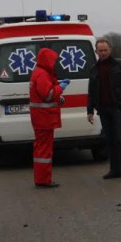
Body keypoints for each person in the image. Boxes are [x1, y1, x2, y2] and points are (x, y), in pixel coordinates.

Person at [87, 38, 121, 180]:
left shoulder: (120, 65)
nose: (103, 53)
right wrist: (90, 110)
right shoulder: (94, 68)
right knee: (109, 140)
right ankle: (114, 170)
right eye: (100, 51)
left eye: (105, 50)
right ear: (96, 52)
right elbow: (91, 91)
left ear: (110, 50)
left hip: (117, 108)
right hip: (103, 109)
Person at [29, 47, 69, 188]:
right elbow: (48, 95)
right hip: (44, 118)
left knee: (41, 149)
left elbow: (45, 95)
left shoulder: (39, 72)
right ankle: (44, 180)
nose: (54, 63)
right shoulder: (42, 74)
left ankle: (42, 178)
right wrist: (61, 87)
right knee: (44, 151)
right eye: (53, 60)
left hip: (41, 118)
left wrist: (58, 98)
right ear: (47, 60)